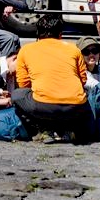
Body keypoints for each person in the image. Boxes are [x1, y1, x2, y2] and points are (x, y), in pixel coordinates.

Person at [11, 14, 95, 142]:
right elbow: (82, 80)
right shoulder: (73, 49)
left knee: (17, 94)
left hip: (42, 107)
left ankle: (43, 130)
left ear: (38, 33)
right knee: (86, 94)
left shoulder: (26, 50)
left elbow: (23, 84)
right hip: (75, 107)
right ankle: (69, 130)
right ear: (60, 34)